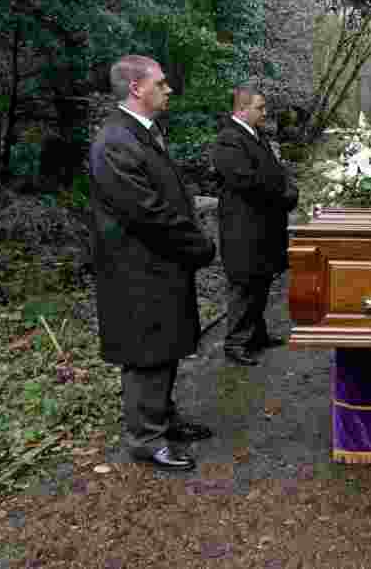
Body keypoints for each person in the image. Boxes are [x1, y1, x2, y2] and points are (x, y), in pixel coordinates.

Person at [90, 55, 217, 471]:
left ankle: (162, 419)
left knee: (164, 346)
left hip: (159, 265)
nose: (168, 89)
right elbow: (147, 212)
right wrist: (196, 245)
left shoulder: (141, 133)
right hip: (136, 270)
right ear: (135, 88)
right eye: (160, 83)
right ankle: (146, 438)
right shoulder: (115, 141)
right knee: (146, 352)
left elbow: (166, 198)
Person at [213, 87, 299, 366]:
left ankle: (257, 334)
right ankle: (236, 342)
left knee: (261, 279)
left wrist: (288, 189)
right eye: (260, 108)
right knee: (244, 285)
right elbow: (246, 181)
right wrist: (282, 195)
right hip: (243, 227)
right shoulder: (229, 139)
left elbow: (274, 171)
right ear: (242, 109)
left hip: (263, 225)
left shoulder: (255, 136)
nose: (265, 113)